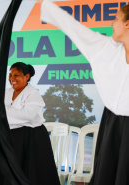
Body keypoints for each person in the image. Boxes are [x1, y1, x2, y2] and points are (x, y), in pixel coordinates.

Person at [36, 0, 129, 185]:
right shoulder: (104, 49)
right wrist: (45, 4)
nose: (112, 23)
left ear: (128, 23)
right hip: (112, 126)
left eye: (116, 19)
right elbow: (73, 28)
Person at [3, 62, 60, 185]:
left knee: (33, 175)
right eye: (10, 75)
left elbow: (29, 115)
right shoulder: (6, 93)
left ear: (27, 76)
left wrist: (3, 112)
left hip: (32, 139)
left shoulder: (32, 93)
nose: (12, 79)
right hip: (12, 138)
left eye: (16, 75)